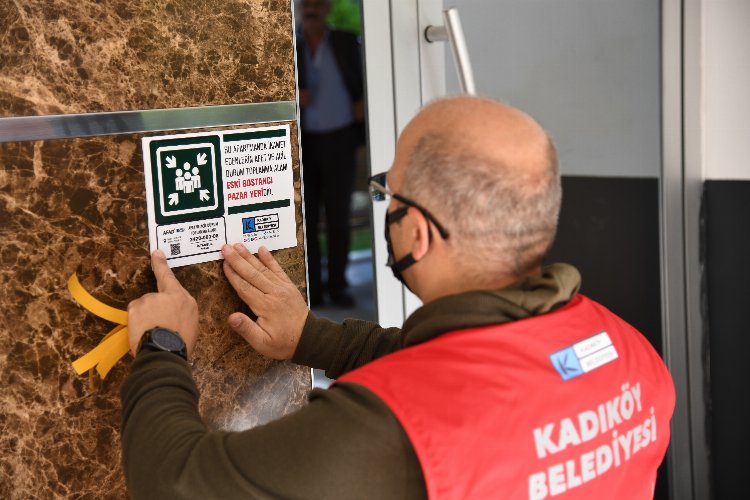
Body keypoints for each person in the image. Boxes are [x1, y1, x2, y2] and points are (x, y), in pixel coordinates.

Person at [122, 96, 676, 499]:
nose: (384, 205)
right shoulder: (632, 354)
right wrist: (313, 338)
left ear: (418, 231)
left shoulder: (384, 428)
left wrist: (163, 346)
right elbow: (479, 383)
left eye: (387, 190)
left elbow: (175, 482)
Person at [296, 0, 364, 307]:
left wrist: (364, 100)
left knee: (339, 217)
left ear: (327, 7)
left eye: (316, 3)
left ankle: (338, 286)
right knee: (306, 219)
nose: (311, 8)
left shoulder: (347, 41)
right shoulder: (288, 43)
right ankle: (315, 290)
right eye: (305, 3)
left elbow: (366, 79)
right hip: (303, 145)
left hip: (341, 139)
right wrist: (294, 96)